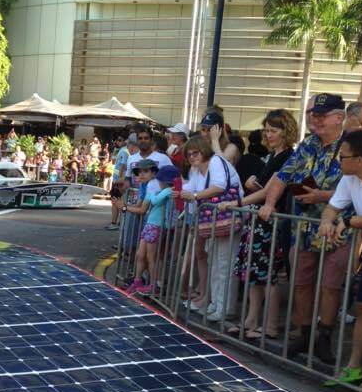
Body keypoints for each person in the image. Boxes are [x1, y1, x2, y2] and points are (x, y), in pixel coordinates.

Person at [259, 92, 348, 362]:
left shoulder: (352, 146)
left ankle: (324, 338)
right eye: (313, 115)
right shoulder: (308, 145)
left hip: (339, 230)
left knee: (330, 286)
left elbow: (356, 187)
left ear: (339, 118)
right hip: (305, 229)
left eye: (322, 116)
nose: (316, 120)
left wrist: (321, 197)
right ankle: (305, 334)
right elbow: (282, 176)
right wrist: (270, 204)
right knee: (301, 282)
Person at [221, 110, 298, 338]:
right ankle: (251, 319)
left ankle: (270, 325)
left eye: (273, 131)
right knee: (254, 275)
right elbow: (264, 188)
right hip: (259, 220)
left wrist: (238, 202)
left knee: (269, 277)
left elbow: (269, 191)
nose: (269, 135)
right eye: (267, 130)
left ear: (286, 131)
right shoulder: (273, 156)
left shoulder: (288, 157)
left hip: (271, 221)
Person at [318, 129, 362, 387]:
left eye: (344, 157)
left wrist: (347, 221)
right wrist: (327, 222)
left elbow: (352, 217)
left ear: (360, 159)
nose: (340, 161)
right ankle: (354, 368)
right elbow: (331, 207)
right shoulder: (349, 179)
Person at [180, 135, 243, 321]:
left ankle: (224, 308)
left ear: (203, 150)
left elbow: (219, 186)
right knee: (215, 263)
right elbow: (190, 188)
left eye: (195, 152)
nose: (192, 157)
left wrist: (195, 195)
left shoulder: (215, 162)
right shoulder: (198, 169)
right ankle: (216, 303)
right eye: (189, 154)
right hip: (217, 220)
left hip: (227, 216)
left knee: (224, 264)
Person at [125, 164, 180, 295]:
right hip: (150, 224)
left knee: (151, 257)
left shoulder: (168, 191)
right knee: (140, 254)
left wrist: (149, 195)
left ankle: (153, 284)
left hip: (156, 226)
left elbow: (154, 201)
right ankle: (137, 281)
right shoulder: (163, 190)